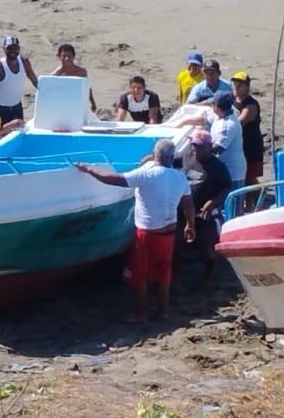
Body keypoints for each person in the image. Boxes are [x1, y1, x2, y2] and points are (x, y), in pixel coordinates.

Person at [74, 140, 196, 322]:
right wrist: (190, 225)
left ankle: (141, 313)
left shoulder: (146, 174)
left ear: (154, 155)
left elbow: (113, 179)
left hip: (148, 233)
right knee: (164, 271)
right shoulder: (179, 178)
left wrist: (89, 169)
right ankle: (163, 311)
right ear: (172, 157)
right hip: (169, 232)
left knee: (138, 274)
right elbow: (188, 203)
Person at [182, 130, 234, 284]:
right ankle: (178, 278)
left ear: (209, 147)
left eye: (199, 147)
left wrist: (212, 202)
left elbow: (227, 187)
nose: (195, 149)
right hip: (187, 212)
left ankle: (209, 278)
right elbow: (171, 160)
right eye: (194, 146)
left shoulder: (218, 167)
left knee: (209, 251)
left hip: (207, 214)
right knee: (180, 246)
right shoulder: (187, 157)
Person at [0, 36, 38, 124]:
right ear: (4, 49)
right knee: (3, 132)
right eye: (9, 48)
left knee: (19, 130)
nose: (13, 51)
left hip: (17, 106)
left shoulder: (24, 62)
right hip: (0, 108)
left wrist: (45, 93)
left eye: (15, 48)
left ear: (19, 48)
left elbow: (34, 80)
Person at [230, 72, 264, 187]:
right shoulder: (231, 99)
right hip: (239, 145)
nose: (236, 87)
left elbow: (239, 122)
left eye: (240, 85)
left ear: (247, 87)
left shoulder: (251, 105)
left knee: (250, 178)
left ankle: (258, 194)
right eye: (234, 84)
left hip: (251, 146)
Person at [49, 43, 96, 111]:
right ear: (59, 56)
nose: (67, 59)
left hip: (78, 105)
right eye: (64, 56)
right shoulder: (55, 75)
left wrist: (92, 102)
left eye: (69, 56)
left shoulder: (81, 72)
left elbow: (87, 87)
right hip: (61, 107)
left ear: (74, 56)